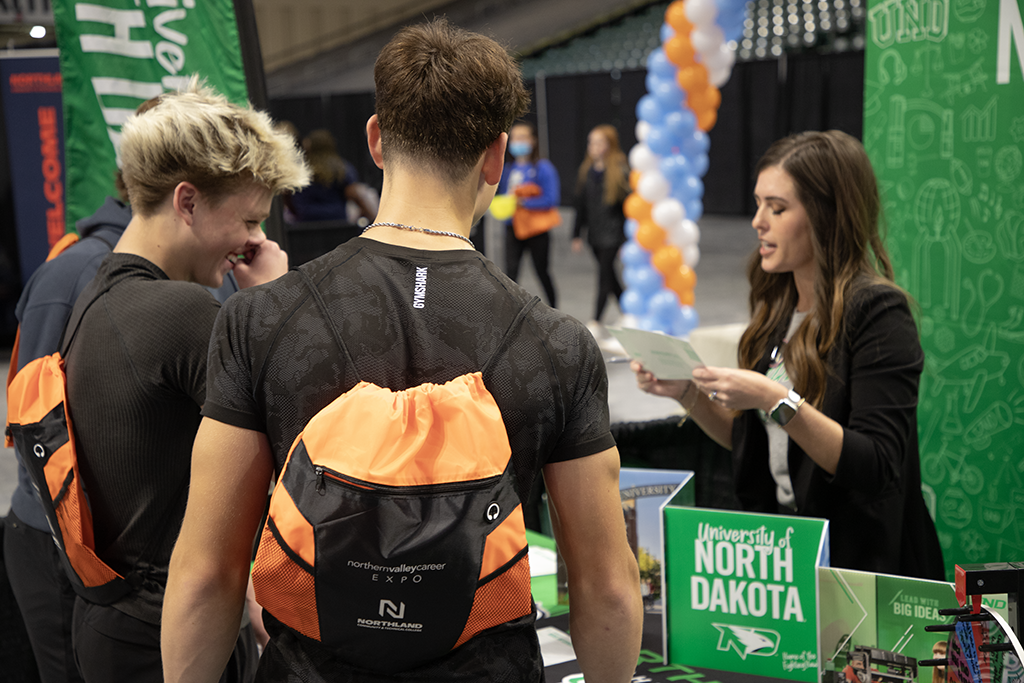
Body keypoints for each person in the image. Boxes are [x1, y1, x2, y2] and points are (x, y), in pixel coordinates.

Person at [161, 18, 642, 683]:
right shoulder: (556, 345)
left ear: (377, 139)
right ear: (496, 157)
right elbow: (609, 586)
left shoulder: (259, 320)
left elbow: (206, 571)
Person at [61, 78, 309, 682]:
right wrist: (275, 298)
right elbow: (312, 429)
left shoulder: (98, 293)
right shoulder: (179, 312)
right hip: (171, 639)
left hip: (122, 622)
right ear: (188, 202)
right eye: (249, 220)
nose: (258, 240)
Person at [632, 130, 944, 579]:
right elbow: (751, 441)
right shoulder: (778, 310)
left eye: (777, 208)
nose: (759, 221)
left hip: (863, 567)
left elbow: (875, 465)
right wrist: (687, 392)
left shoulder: (878, 313)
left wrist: (772, 398)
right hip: (786, 562)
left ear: (827, 216)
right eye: (758, 204)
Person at [2, 190, 243, 683]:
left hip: (144, 560)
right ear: (185, 195)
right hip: (69, 540)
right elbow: (35, 417)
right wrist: (80, 545)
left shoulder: (194, 274)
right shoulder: (75, 272)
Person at [572, 124, 630, 338]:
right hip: (595, 235)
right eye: (591, 142)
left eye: (599, 142)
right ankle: (627, 312)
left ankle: (596, 320)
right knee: (610, 276)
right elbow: (581, 205)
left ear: (609, 145)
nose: (593, 147)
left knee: (604, 276)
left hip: (613, 234)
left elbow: (626, 211)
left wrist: (625, 241)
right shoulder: (587, 171)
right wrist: (577, 234)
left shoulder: (620, 172)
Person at [498, 120, 559, 308]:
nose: (518, 141)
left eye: (523, 137)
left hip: (536, 230)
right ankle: (509, 313)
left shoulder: (543, 168)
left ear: (533, 141)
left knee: (542, 270)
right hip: (512, 227)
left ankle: (554, 310)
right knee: (510, 273)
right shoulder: (506, 169)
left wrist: (523, 202)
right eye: (515, 137)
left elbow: (551, 199)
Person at [289, 128, 377, 224]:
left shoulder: (301, 171)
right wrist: (371, 217)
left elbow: (289, 199)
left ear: (308, 147)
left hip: (306, 222)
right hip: (338, 221)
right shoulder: (342, 169)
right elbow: (354, 194)